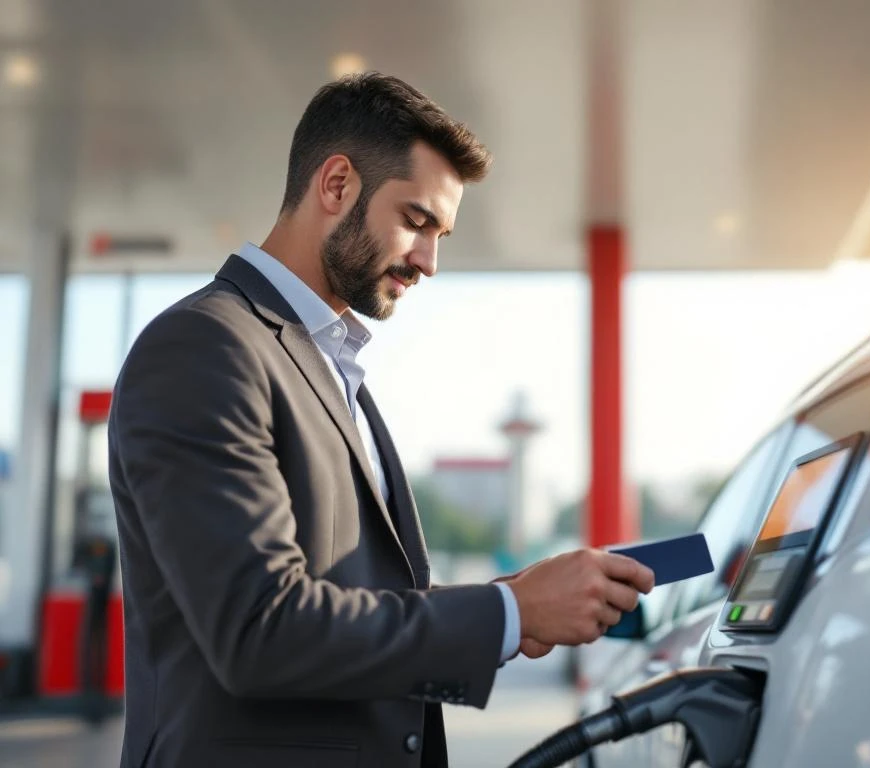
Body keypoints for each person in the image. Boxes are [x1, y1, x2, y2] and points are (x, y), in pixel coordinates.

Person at [108, 72, 655, 768]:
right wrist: (510, 617)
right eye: (418, 221)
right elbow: (259, 629)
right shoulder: (205, 347)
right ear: (335, 185)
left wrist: (511, 599)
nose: (430, 260)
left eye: (441, 233)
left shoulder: (329, 366)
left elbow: (349, 598)